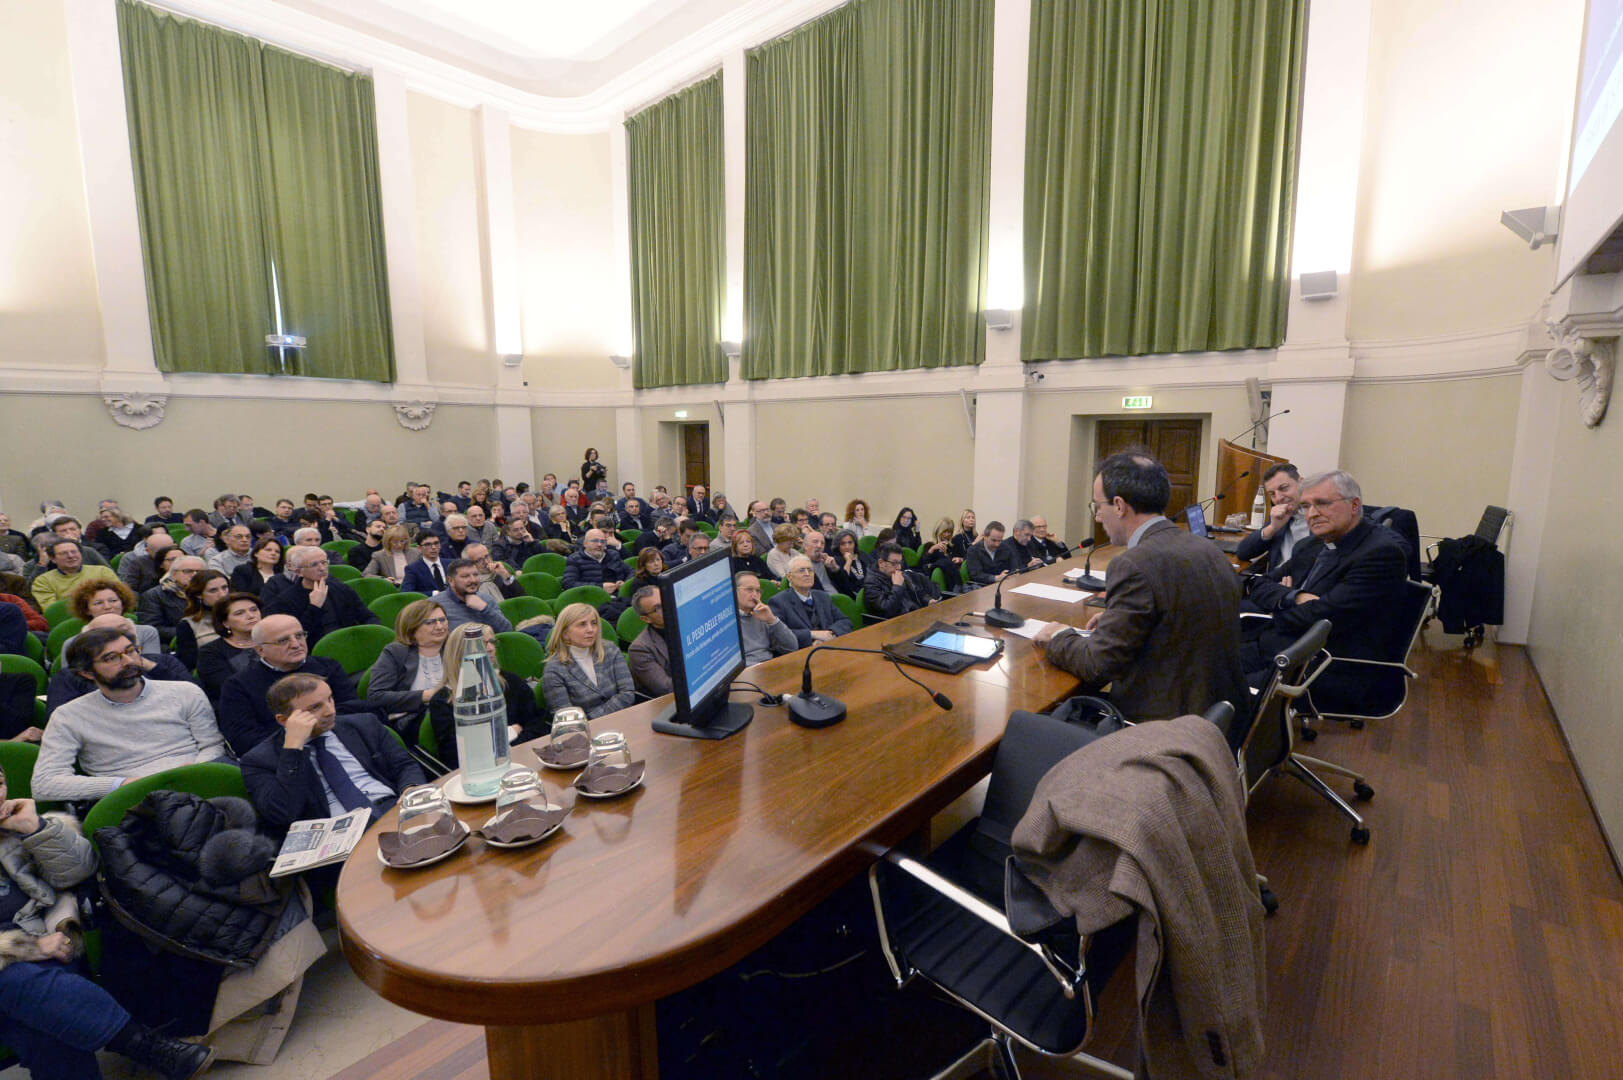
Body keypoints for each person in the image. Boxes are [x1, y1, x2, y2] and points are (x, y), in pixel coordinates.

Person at [0, 768, 218, 1079]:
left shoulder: (15, 829)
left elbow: (78, 873)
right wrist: (28, 949)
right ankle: (145, 1046)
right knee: (18, 981)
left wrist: (35, 829)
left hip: (49, 954)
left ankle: (144, 1045)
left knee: (43, 1031)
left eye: (0, 782)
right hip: (25, 961)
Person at [1032, 451, 1249, 724]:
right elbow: (1180, 616)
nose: (1098, 517)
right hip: (1218, 713)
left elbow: (1097, 665)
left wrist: (1059, 636)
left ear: (1119, 506)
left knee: (1030, 724)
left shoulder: (1133, 565)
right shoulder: (1206, 548)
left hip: (1163, 725)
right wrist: (1118, 619)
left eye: (1098, 506)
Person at [1239, 469, 1410, 675]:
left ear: (1354, 505)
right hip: (1280, 647)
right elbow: (1258, 585)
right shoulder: (1310, 544)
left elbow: (1322, 618)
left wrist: (1274, 608)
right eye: (1305, 506)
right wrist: (1295, 597)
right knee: (1208, 664)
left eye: (1322, 503)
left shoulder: (1380, 553)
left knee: (1218, 684)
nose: (1312, 514)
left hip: (1322, 666)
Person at [33, 627, 227, 803]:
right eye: (111, 658)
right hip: (131, 799)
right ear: (87, 673)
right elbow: (44, 784)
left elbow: (212, 746)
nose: (128, 661)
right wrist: (123, 784)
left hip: (199, 782)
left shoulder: (185, 692)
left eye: (131, 651)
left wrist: (193, 772)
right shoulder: (68, 716)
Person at [240, 674, 427, 830]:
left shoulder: (364, 724)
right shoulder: (258, 761)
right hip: (335, 828)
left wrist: (410, 788)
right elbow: (283, 812)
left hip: (390, 806)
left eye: (329, 699)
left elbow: (404, 765)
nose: (329, 711)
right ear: (284, 720)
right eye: (315, 707)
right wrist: (293, 749)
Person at [216, 614, 358, 753]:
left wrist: (315, 727)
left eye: (299, 635)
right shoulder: (238, 686)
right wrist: (295, 737)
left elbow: (354, 708)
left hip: (339, 739)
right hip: (282, 753)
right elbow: (243, 738)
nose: (296, 644)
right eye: (283, 641)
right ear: (260, 650)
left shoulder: (328, 666)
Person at [426, 623, 547, 767]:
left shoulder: (510, 681)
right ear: (461, 652)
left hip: (525, 757)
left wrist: (513, 749)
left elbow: (536, 723)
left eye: (492, 642)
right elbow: (454, 753)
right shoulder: (442, 701)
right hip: (480, 770)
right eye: (482, 644)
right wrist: (511, 732)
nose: (490, 648)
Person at [364, 599, 451, 734]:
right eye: (430, 622)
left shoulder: (453, 647)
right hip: (412, 720)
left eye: (442, 620)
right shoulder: (396, 652)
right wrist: (426, 695)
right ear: (412, 627)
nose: (440, 626)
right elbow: (376, 696)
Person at [259, 546, 377, 645]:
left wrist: (370, 635)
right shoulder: (286, 600)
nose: (322, 568)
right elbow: (297, 637)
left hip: (351, 644)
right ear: (299, 572)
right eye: (314, 565)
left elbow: (368, 616)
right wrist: (314, 607)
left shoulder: (341, 589)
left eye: (324, 563)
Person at [542, 602, 635, 719]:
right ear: (565, 633)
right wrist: (593, 720)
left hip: (623, 717)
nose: (591, 630)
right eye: (582, 624)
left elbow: (628, 693)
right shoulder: (554, 670)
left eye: (594, 623)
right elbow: (567, 717)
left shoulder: (610, 650)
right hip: (586, 727)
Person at [1234, 463, 1310, 571]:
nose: (1278, 498)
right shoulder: (1281, 516)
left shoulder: (1320, 516)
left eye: (1283, 488)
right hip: (1275, 579)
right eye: (1272, 494)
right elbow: (1243, 553)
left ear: (1301, 483)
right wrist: (1272, 528)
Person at [71, 576, 163, 658]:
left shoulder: (146, 633)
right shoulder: (74, 643)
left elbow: (153, 668)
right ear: (87, 610)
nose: (107, 606)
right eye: (98, 603)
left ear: (123, 604)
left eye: (113, 601)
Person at [769, 556, 852, 647]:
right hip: (804, 651)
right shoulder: (778, 602)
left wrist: (830, 634)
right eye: (801, 571)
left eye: (810, 570)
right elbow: (781, 635)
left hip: (832, 645)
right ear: (789, 577)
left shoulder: (822, 596)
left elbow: (844, 621)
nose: (807, 574)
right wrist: (812, 634)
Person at [196, 592, 260, 706]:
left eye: (254, 610)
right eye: (239, 613)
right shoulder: (210, 652)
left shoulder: (274, 640)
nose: (251, 616)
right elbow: (226, 689)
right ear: (225, 623)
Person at [30, 539, 117, 610]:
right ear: (53, 559)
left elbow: (119, 596)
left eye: (74, 552)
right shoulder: (43, 581)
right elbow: (54, 611)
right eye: (64, 553)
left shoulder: (102, 571)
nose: (70, 556)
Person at [433, 558, 513, 634]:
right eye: (465, 576)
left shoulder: (486, 599)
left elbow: (507, 630)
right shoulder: (435, 604)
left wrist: (484, 609)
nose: (473, 580)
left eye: (475, 575)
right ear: (451, 580)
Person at [172, 569, 232, 671]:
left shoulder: (243, 615)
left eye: (224, 588)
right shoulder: (188, 624)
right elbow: (189, 664)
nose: (222, 594)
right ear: (199, 595)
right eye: (213, 590)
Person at [137, 554, 203, 645]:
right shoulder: (154, 595)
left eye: (200, 572)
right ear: (173, 574)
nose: (195, 575)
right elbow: (152, 628)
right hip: (174, 644)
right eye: (188, 571)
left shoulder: (210, 593)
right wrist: (190, 633)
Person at [862, 542, 939, 619]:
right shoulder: (871, 583)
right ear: (881, 563)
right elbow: (887, 611)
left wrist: (928, 600)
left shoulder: (896, 573)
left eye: (900, 562)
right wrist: (897, 587)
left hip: (913, 616)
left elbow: (916, 590)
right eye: (894, 563)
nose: (899, 567)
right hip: (896, 623)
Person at [733, 573, 797, 665]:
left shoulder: (762, 614)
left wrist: (772, 620)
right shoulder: (728, 621)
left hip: (770, 665)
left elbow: (791, 647)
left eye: (758, 591)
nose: (755, 595)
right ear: (734, 591)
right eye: (749, 589)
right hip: (747, 670)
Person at [625, 586, 671, 698]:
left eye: (665, 600)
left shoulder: (688, 623)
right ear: (646, 619)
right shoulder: (639, 649)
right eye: (657, 608)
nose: (667, 607)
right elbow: (666, 687)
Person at [561, 529, 630, 591]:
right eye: (595, 541)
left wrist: (624, 583)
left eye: (602, 541)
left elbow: (631, 572)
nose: (599, 544)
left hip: (618, 594)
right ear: (585, 543)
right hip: (592, 596)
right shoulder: (575, 559)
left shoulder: (613, 555)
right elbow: (568, 583)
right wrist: (600, 587)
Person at [115, 528, 174, 595]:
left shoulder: (181, 560)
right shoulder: (139, 563)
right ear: (147, 551)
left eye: (169, 551)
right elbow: (129, 588)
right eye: (160, 553)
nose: (165, 555)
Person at [966, 521, 1018, 585]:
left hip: (1005, 584)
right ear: (985, 536)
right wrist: (996, 578)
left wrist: (1011, 574)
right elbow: (977, 575)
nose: (997, 544)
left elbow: (1014, 567)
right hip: (983, 586)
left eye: (1000, 540)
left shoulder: (1006, 548)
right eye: (994, 540)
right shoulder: (973, 551)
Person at [828, 529, 868, 597]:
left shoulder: (862, 555)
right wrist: (849, 561)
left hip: (869, 590)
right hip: (852, 595)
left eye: (850, 543)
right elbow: (844, 581)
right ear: (838, 546)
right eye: (843, 544)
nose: (847, 547)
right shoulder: (836, 561)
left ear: (855, 544)